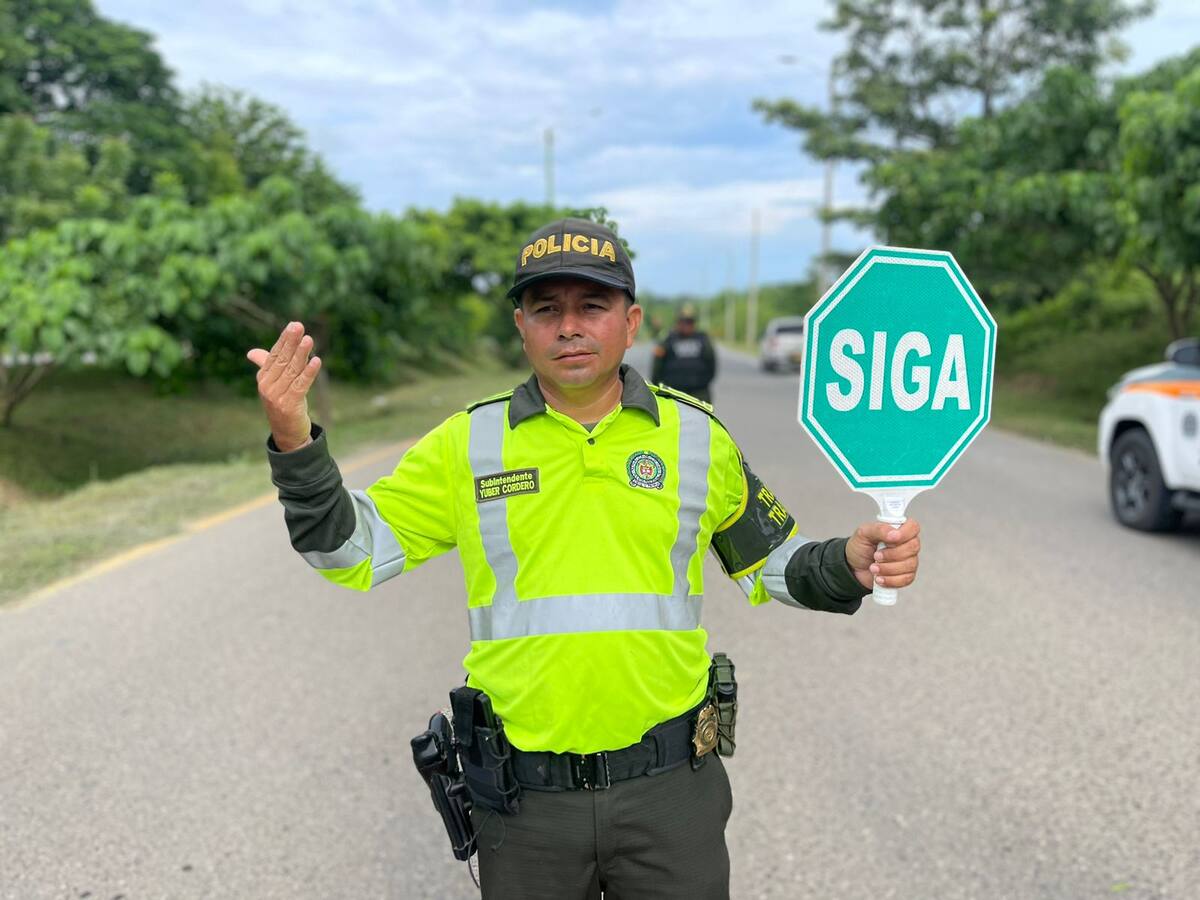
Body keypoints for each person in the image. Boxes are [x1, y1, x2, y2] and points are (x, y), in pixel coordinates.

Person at [248, 217, 921, 900]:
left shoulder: (696, 437)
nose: (569, 326)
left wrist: (849, 563)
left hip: (671, 794)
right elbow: (349, 551)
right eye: (547, 310)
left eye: (591, 306)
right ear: (521, 326)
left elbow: (774, 560)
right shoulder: (467, 445)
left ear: (631, 324)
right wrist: (295, 441)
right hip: (527, 804)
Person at [651, 303, 717, 403]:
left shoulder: (703, 339)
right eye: (683, 321)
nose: (686, 325)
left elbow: (711, 365)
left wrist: (701, 383)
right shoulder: (668, 339)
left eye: (689, 322)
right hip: (674, 394)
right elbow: (657, 367)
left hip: (699, 394)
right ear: (677, 322)